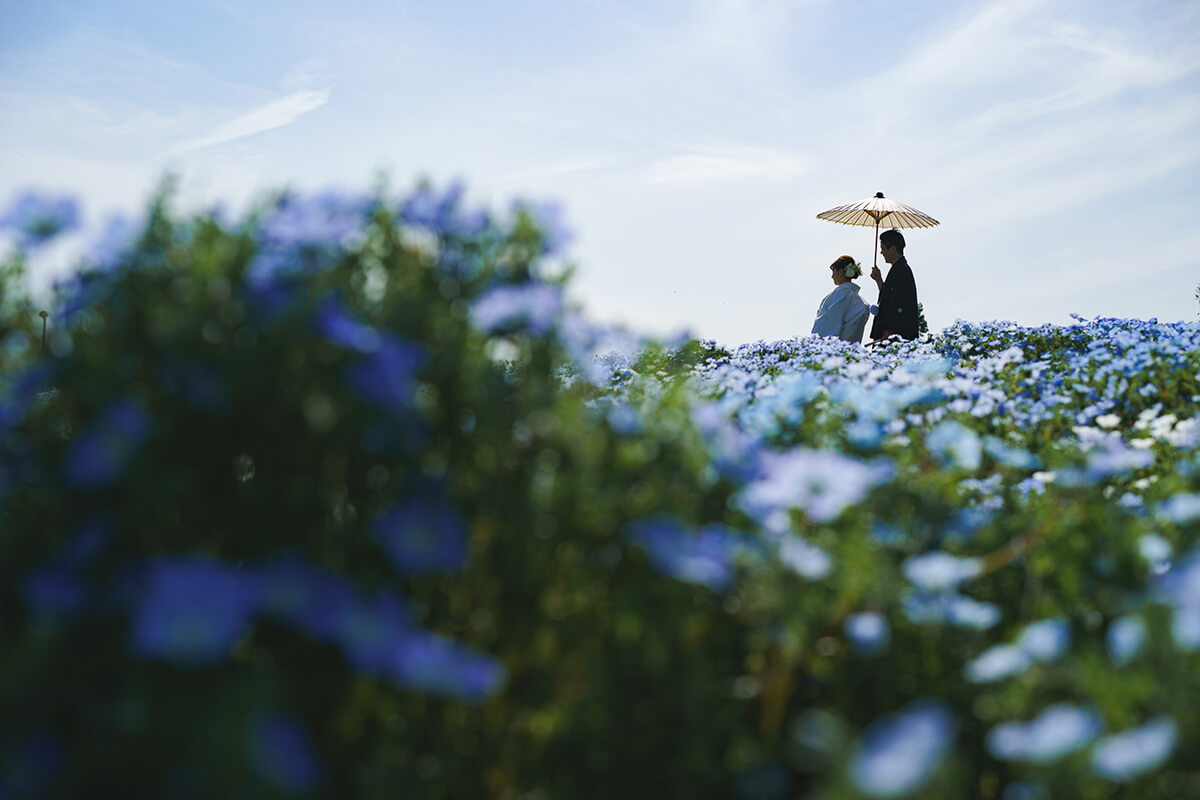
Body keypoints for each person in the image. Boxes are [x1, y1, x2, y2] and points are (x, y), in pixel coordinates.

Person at [869, 229, 918, 343]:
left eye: (883, 248)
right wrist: (879, 280)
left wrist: (890, 329)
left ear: (892, 249)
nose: (881, 252)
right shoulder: (898, 269)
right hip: (891, 332)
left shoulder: (902, 270)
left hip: (895, 334)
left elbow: (899, 304)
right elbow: (888, 298)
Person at [812, 255, 870, 343]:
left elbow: (829, 324)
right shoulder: (859, 301)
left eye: (834, 272)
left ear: (841, 271)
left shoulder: (842, 294)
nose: (832, 276)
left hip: (834, 348)